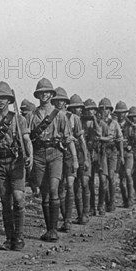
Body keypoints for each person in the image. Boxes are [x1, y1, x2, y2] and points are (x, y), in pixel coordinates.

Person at [26, 78, 77, 242]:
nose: (44, 95)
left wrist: (75, 158)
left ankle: (54, 230)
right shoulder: (31, 116)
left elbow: (68, 138)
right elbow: (26, 138)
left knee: (54, 189)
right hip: (39, 154)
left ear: (51, 94)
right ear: (37, 95)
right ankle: (49, 229)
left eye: (47, 92)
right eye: (41, 92)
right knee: (45, 193)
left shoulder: (60, 115)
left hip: (56, 154)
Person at [0, 81, 33, 250]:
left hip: (15, 162)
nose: (1, 101)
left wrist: (30, 154)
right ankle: (9, 238)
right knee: (5, 202)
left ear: (9, 100)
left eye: (4, 98)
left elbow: (27, 140)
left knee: (19, 198)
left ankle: (19, 237)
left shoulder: (18, 119)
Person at [52, 87, 87, 231]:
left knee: (71, 185)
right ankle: (66, 216)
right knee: (59, 189)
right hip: (57, 154)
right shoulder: (51, 116)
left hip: (71, 154)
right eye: (57, 100)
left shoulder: (74, 118)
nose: (59, 103)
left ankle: (69, 219)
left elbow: (81, 139)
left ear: (66, 102)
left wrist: (84, 158)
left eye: (62, 100)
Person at [67, 94, 91, 224]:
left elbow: (82, 141)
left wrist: (86, 158)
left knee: (84, 182)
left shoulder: (87, 121)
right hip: (71, 154)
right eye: (76, 107)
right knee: (75, 186)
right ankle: (80, 214)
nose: (80, 110)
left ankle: (85, 213)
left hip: (82, 154)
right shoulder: (69, 119)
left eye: (80, 107)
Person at [98, 98, 124, 212]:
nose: (105, 111)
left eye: (107, 109)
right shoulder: (97, 122)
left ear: (110, 110)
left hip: (112, 152)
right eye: (103, 109)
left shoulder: (115, 123)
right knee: (103, 180)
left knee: (112, 178)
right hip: (101, 152)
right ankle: (102, 204)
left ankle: (111, 203)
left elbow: (120, 139)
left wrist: (122, 155)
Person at [114, 101, 133, 208]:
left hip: (129, 152)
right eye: (119, 113)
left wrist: (131, 146)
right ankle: (125, 199)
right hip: (117, 152)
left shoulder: (130, 125)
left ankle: (130, 198)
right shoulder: (113, 124)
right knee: (121, 178)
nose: (121, 115)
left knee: (128, 173)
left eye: (123, 113)